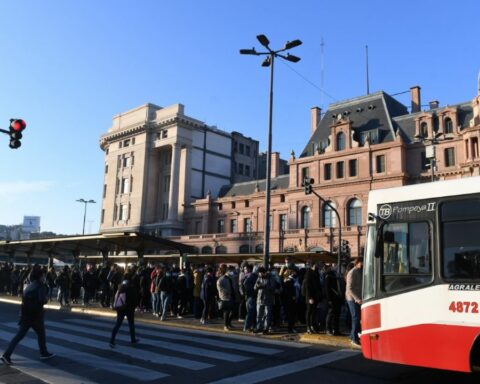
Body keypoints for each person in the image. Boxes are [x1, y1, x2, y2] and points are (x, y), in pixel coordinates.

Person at [1, 265, 55, 365]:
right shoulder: (40, 286)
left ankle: (6, 355)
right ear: (40, 276)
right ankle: (43, 353)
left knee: (18, 336)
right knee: (41, 334)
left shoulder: (29, 285)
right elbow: (42, 300)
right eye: (43, 276)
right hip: (35, 316)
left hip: (26, 315)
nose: (44, 277)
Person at [109, 271, 139, 348]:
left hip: (121, 308)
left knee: (118, 324)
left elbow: (116, 296)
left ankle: (112, 340)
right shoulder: (132, 287)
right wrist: (135, 306)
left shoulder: (120, 286)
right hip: (129, 308)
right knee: (131, 325)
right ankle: (133, 340)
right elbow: (135, 299)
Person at [346, 258, 363, 346]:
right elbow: (350, 288)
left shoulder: (359, 271)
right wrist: (357, 299)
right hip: (352, 299)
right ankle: (354, 338)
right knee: (355, 317)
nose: (363, 264)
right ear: (357, 263)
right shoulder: (352, 272)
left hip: (358, 298)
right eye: (361, 262)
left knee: (357, 317)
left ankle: (353, 335)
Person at [301, 262, 322, 334]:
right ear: (312, 266)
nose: (317, 267)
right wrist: (310, 297)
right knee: (309, 312)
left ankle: (312, 325)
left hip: (315, 296)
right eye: (316, 265)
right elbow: (307, 287)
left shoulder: (316, 273)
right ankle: (308, 326)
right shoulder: (308, 273)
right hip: (310, 296)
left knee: (314, 312)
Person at [254, 266, 274, 334]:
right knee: (259, 315)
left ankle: (266, 328)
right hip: (259, 299)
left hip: (268, 299)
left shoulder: (270, 278)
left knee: (267, 314)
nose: (259, 274)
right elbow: (254, 287)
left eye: (260, 273)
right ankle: (259, 327)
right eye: (259, 273)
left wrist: (264, 286)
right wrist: (257, 286)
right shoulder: (259, 278)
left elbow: (273, 287)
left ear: (264, 272)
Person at [324, 264, 343, 336]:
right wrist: (329, 300)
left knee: (337, 315)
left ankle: (336, 330)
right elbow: (327, 289)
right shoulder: (328, 276)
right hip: (332, 298)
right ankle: (328, 329)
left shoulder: (337, 275)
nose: (334, 267)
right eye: (332, 265)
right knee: (331, 314)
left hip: (338, 298)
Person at [216, 264, 235, 331]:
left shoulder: (228, 278)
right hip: (224, 297)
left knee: (232, 310)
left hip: (230, 295)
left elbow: (232, 286)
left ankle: (228, 323)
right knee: (226, 311)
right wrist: (223, 295)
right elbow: (220, 289)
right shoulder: (220, 279)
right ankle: (225, 325)